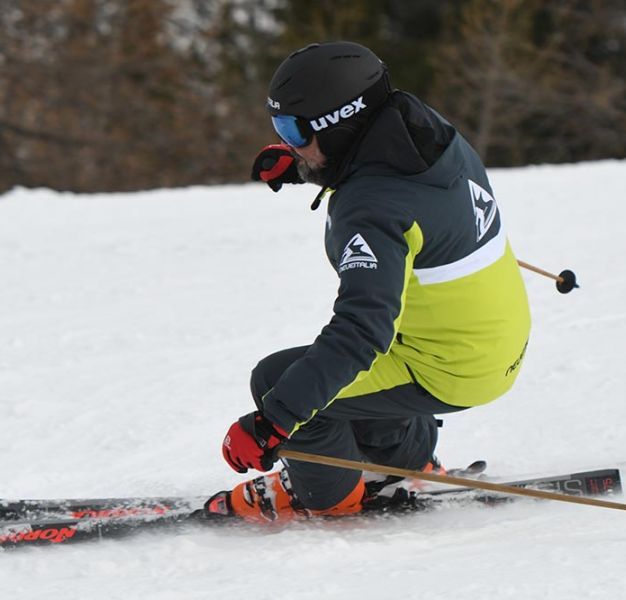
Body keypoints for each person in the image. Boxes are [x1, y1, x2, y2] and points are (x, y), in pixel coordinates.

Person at [208, 41, 531, 523]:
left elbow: (361, 334)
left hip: (454, 366)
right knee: (375, 347)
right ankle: (405, 459)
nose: (288, 141)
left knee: (279, 381)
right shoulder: (424, 134)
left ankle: (328, 495)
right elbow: (379, 172)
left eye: (293, 129)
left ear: (339, 124)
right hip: (491, 340)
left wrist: (272, 424)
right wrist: (308, 163)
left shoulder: (371, 208)